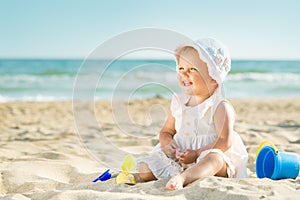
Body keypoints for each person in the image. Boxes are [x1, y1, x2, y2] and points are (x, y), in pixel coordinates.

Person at [137, 38, 248, 190]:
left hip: (206, 155)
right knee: (144, 169)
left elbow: (224, 141)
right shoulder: (178, 102)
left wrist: (196, 153)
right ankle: (183, 172)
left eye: (193, 69)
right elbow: (166, 131)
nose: (184, 74)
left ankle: (183, 177)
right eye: (181, 69)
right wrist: (168, 145)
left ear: (214, 78)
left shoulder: (219, 106)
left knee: (215, 159)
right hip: (181, 156)